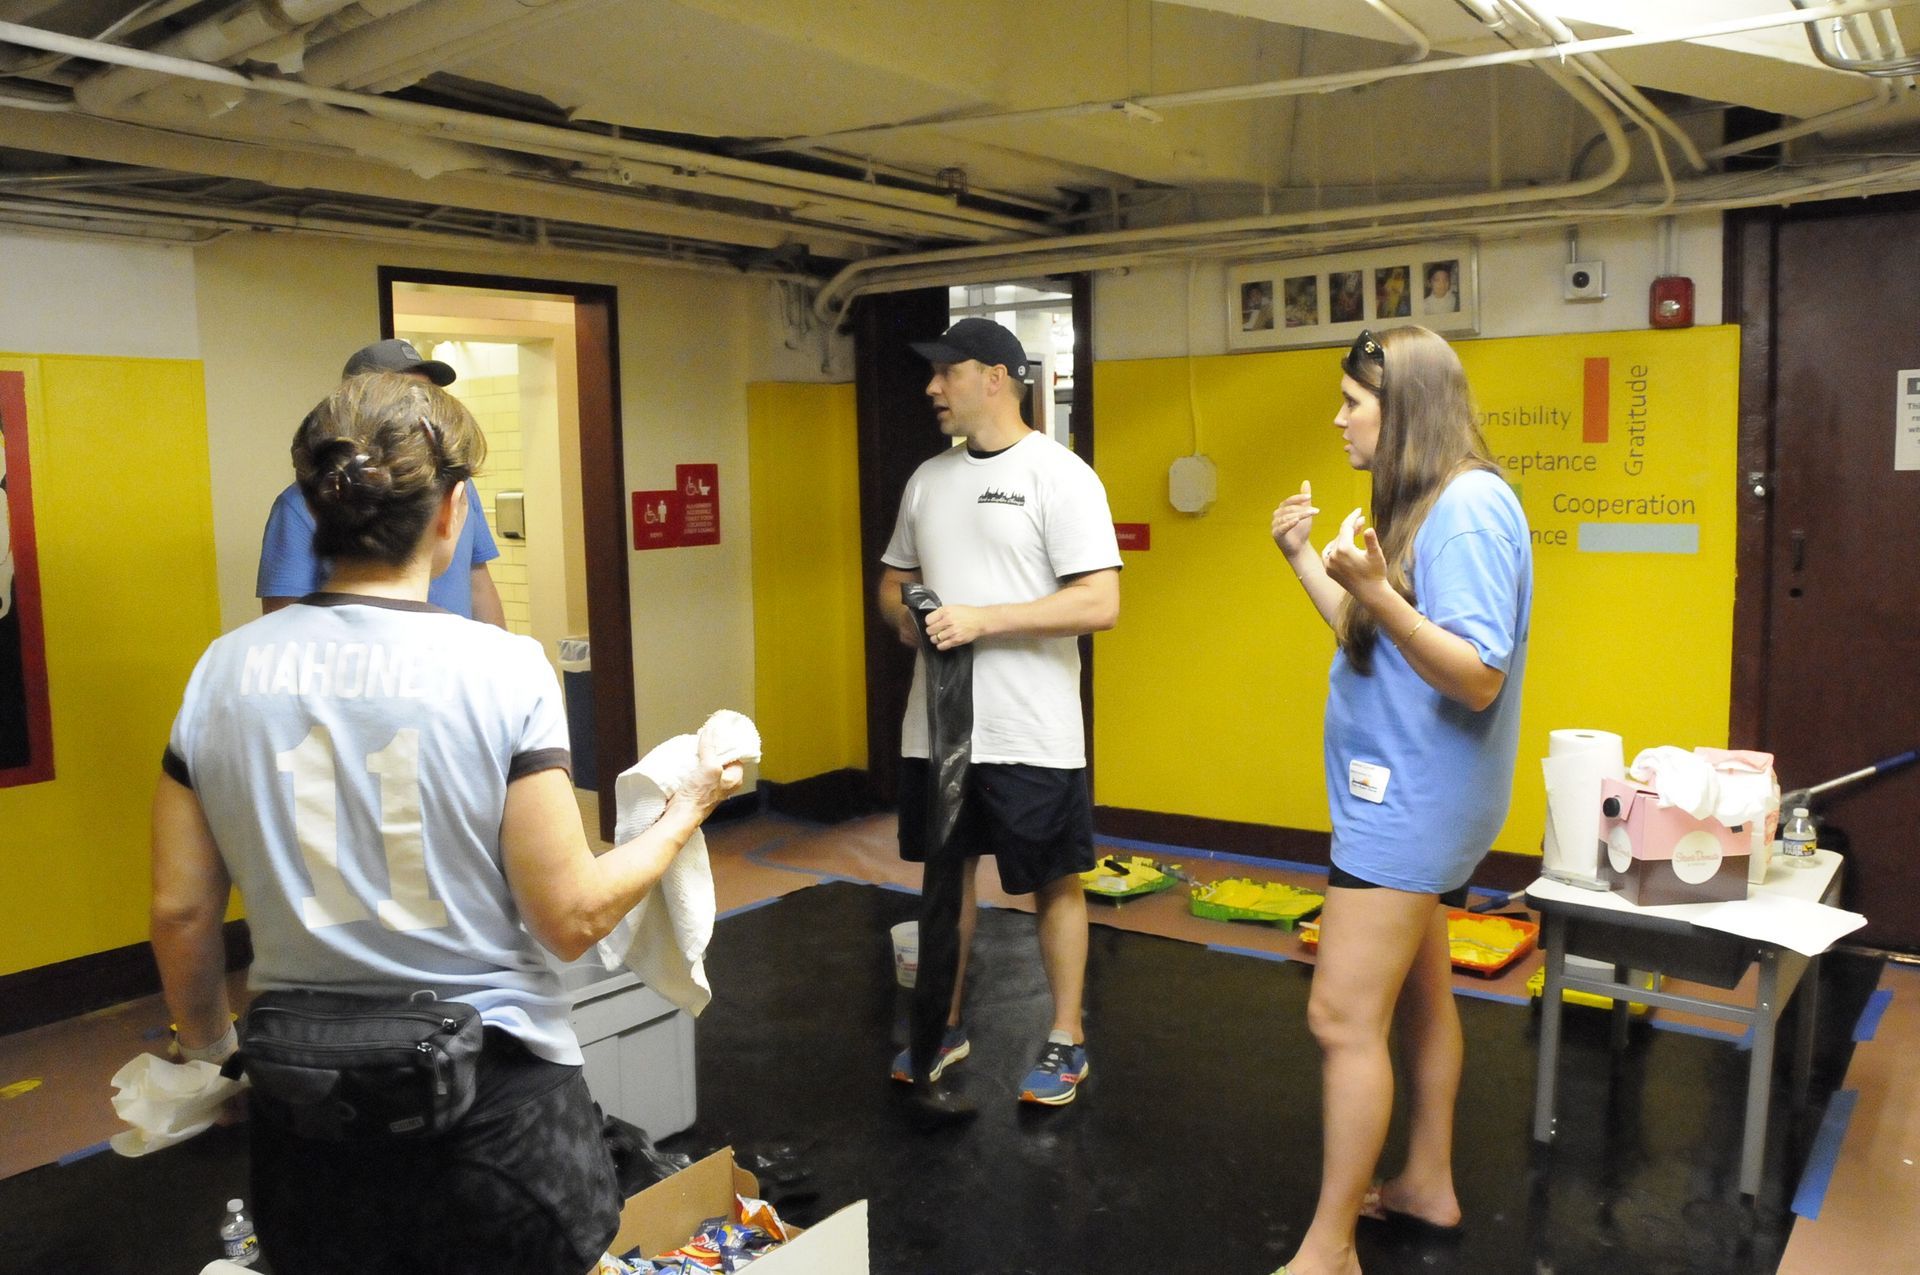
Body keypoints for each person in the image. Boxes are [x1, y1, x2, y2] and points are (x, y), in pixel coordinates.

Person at [151, 372, 743, 1275]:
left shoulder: (219, 674)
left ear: (315, 511)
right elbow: (571, 915)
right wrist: (688, 807)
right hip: (493, 1114)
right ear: (452, 512)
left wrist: (212, 1058)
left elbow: (183, 912)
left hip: (305, 1107)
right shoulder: (500, 670)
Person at [1266, 327, 1531, 1275]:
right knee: (1418, 997)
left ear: (1403, 408)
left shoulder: (1468, 509)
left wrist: (1381, 589)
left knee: (1340, 1018)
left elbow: (1476, 675)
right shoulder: (1426, 502)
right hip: (1407, 799)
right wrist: (1309, 559)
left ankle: (1330, 1247)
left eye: (1353, 402)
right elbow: (1371, 632)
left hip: (1411, 807)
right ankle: (1425, 1180)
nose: (1339, 419)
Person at [875, 318, 1121, 1107]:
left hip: (1031, 729)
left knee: (1053, 878)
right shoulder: (927, 480)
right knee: (949, 875)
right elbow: (892, 580)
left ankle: (1067, 1036)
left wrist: (983, 618)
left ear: (994, 377)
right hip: (939, 728)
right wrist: (907, 615)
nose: (931, 388)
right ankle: (945, 1022)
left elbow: (1100, 600)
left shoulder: (1062, 475)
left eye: (945, 373)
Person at [257, 339, 506, 626]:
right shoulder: (303, 502)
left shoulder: (457, 488)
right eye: (405, 397)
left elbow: (478, 582)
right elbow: (283, 618)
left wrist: (500, 651)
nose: (422, 411)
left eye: (427, 396)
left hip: (454, 663)